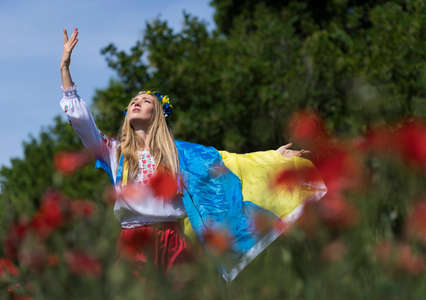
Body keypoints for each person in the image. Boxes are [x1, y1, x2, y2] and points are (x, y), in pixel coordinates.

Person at [60, 28, 326, 281]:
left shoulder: (181, 154)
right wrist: (65, 70)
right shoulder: (114, 152)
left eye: (145, 101)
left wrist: (274, 157)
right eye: (133, 101)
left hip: (173, 241)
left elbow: (229, 163)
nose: (136, 102)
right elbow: (82, 122)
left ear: (158, 114)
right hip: (135, 241)